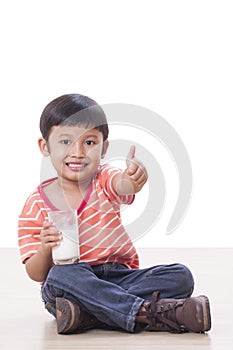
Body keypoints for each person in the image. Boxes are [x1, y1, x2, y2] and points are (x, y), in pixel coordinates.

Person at [18, 93, 211, 334]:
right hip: (73, 283)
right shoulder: (36, 204)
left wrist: (132, 179)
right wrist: (45, 249)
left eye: (89, 143)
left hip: (120, 277)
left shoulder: (103, 179)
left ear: (104, 148)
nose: (77, 152)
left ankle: (89, 314)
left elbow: (122, 184)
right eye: (65, 141)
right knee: (59, 276)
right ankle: (147, 313)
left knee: (180, 276)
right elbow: (35, 272)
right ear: (45, 147)